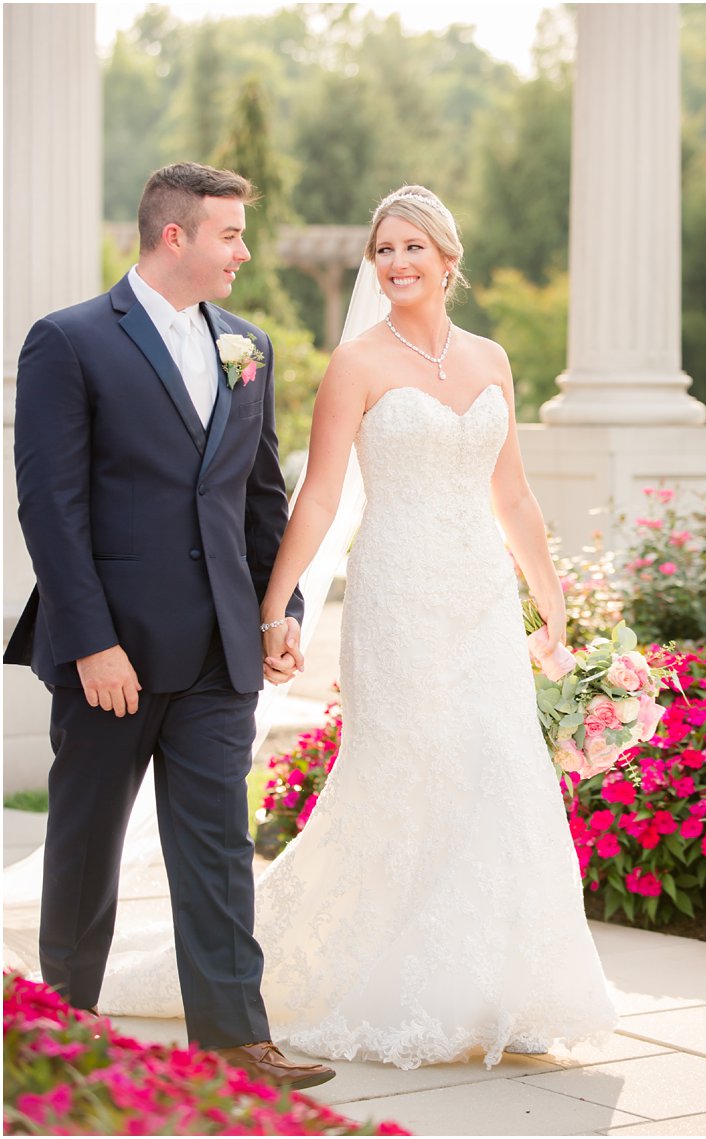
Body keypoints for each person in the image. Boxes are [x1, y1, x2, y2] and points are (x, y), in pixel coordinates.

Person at [92, 185, 619, 1069]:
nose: (398, 263)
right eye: (385, 250)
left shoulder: (491, 359)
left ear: (450, 260)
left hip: (482, 599)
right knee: (408, 778)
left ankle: (503, 988)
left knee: (500, 771)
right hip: (399, 596)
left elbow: (514, 492)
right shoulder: (358, 364)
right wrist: (275, 605)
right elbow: (322, 494)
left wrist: (551, 597)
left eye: (415, 247)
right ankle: (401, 985)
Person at [4, 162, 333, 1089]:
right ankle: (56, 1033)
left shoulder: (249, 345)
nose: (245, 251)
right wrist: (91, 639)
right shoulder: (68, 342)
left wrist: (281, 611)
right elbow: (51, 508)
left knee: (220, 850)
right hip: (112, 652)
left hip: (222, 650)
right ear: (174, 236)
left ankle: (234, 1037)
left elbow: (260, 500)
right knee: (86, 847)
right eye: (230, 234)